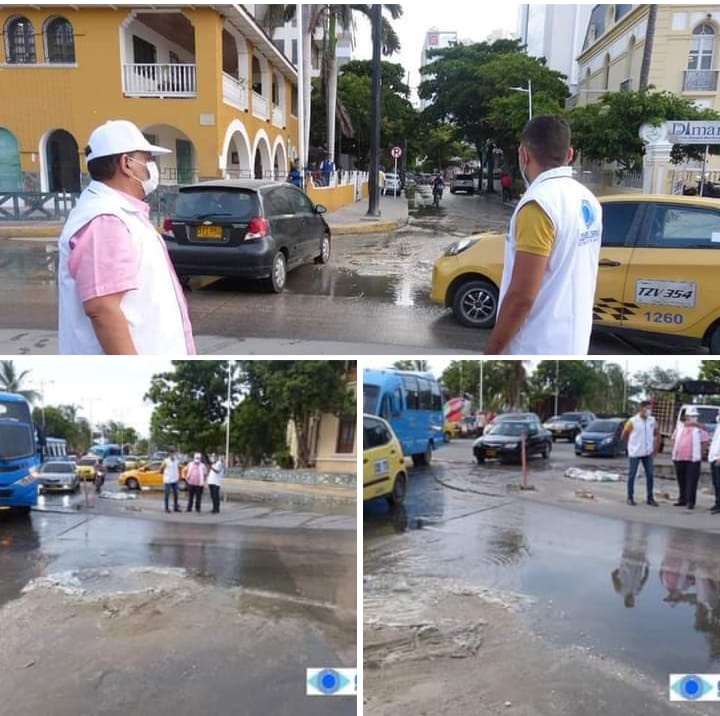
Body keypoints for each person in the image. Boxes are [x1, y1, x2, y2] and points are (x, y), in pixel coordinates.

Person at [58, 120, 195, 355]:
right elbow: (102, 309)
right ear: (127, 163)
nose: (151, 167)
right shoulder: (106, 219)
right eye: (147, 159)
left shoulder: (120, 213)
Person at [486, 115, 603, 355]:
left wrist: (492, 352)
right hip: (573, 344)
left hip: (535, 347)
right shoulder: (588, 200)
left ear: (523, 155)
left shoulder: (539, 204)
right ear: (569, 154)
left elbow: (521, 297)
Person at [671, 407, 710, 511]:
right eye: (692, 416)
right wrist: (675, 451)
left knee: (691, 481)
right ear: (686, 417)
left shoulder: (700, 429)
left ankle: (690, 501)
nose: (694, 418)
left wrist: (701, 455)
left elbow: (705, 442)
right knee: (681, 479)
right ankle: (682, 499)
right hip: (679, 457)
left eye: (695, 416)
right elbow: (673, 439)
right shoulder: (680, 427)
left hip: (693, 459)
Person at [621, 401, 659, 507]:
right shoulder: (632, 421)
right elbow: (624, 435)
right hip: (635, 452)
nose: (649, 410)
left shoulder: (652, 420)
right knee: (632, 475)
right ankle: (630, 497)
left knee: (650, 475)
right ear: (641, 409)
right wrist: (629, 446)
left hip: (647, 452)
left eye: (650, 408)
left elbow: (656, 433)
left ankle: (650, 497)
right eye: (647, 408)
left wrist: (655, 448)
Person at [162, 448, 181, 514]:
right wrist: (165, 474)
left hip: (175, 480)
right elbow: (161, 469)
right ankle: (166, 508)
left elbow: (179, 468)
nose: (172, 454)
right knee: (167, 494)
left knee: (176, 494)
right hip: (168, 480)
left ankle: (175, 507)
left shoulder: (176, 461)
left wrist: (179, 477)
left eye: (173, 452)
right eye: (171, 452)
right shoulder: (166, 461)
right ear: (169, 454)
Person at [709, 408, 720, 515]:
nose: (718, 414)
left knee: (719, 483)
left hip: (718, 458)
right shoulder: (718, 426)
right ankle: (717, 503)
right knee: (716, 483)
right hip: (713, 457)